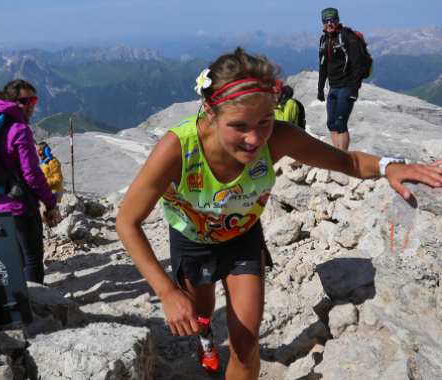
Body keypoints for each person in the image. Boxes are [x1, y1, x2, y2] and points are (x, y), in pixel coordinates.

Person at [115, 47, 442, 379]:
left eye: (265, 121)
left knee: (245, 345)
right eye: (238, 125)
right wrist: (167, 293)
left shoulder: (279, 138)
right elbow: (127, 221)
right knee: (201, 312)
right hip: (191, 240)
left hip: (242, 239)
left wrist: (391, 167)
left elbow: (347, 162)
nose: (254, 138)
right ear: (210, 112)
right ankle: (205, 338)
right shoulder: (177, 148)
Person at [0, 79, 57, 284]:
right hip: (20, 207)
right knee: (32, 259)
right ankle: (36, 307)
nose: (31, 103)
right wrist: (50, 202)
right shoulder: (20, 130)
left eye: (34, 98)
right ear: (10, 101)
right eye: (24, 100)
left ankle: (17, 304)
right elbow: (32, 174)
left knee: (12, 261)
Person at [317, 7, 365, 151]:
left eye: (332, 20)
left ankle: (343, 159)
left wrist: (355, 89)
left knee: (340, 123)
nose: (329, 23)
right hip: (333, 87)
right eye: (325, 21)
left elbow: (358, 63)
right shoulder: (324, 39)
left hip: (347, 86)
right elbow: (323, 65)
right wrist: (320, 88)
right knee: (331, 123)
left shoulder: (347, 36)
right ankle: (337, 155)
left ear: (338, 20)